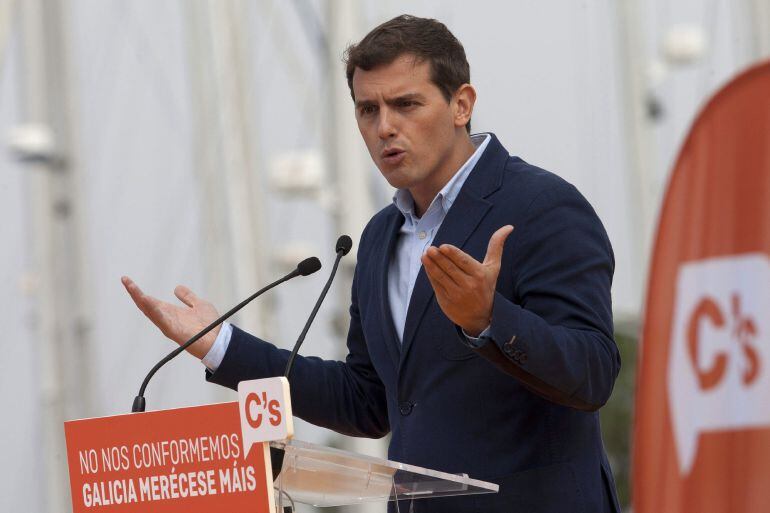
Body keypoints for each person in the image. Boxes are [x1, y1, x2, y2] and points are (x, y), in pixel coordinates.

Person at [123, 14, 621, 513]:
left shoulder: (543, 207)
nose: (385, 127)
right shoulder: (381, 236)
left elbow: (593, 373)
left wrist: (488, 320)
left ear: (461, 105)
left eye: (406, 104)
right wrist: (220, 346)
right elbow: (367, 400)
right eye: (368, 109)